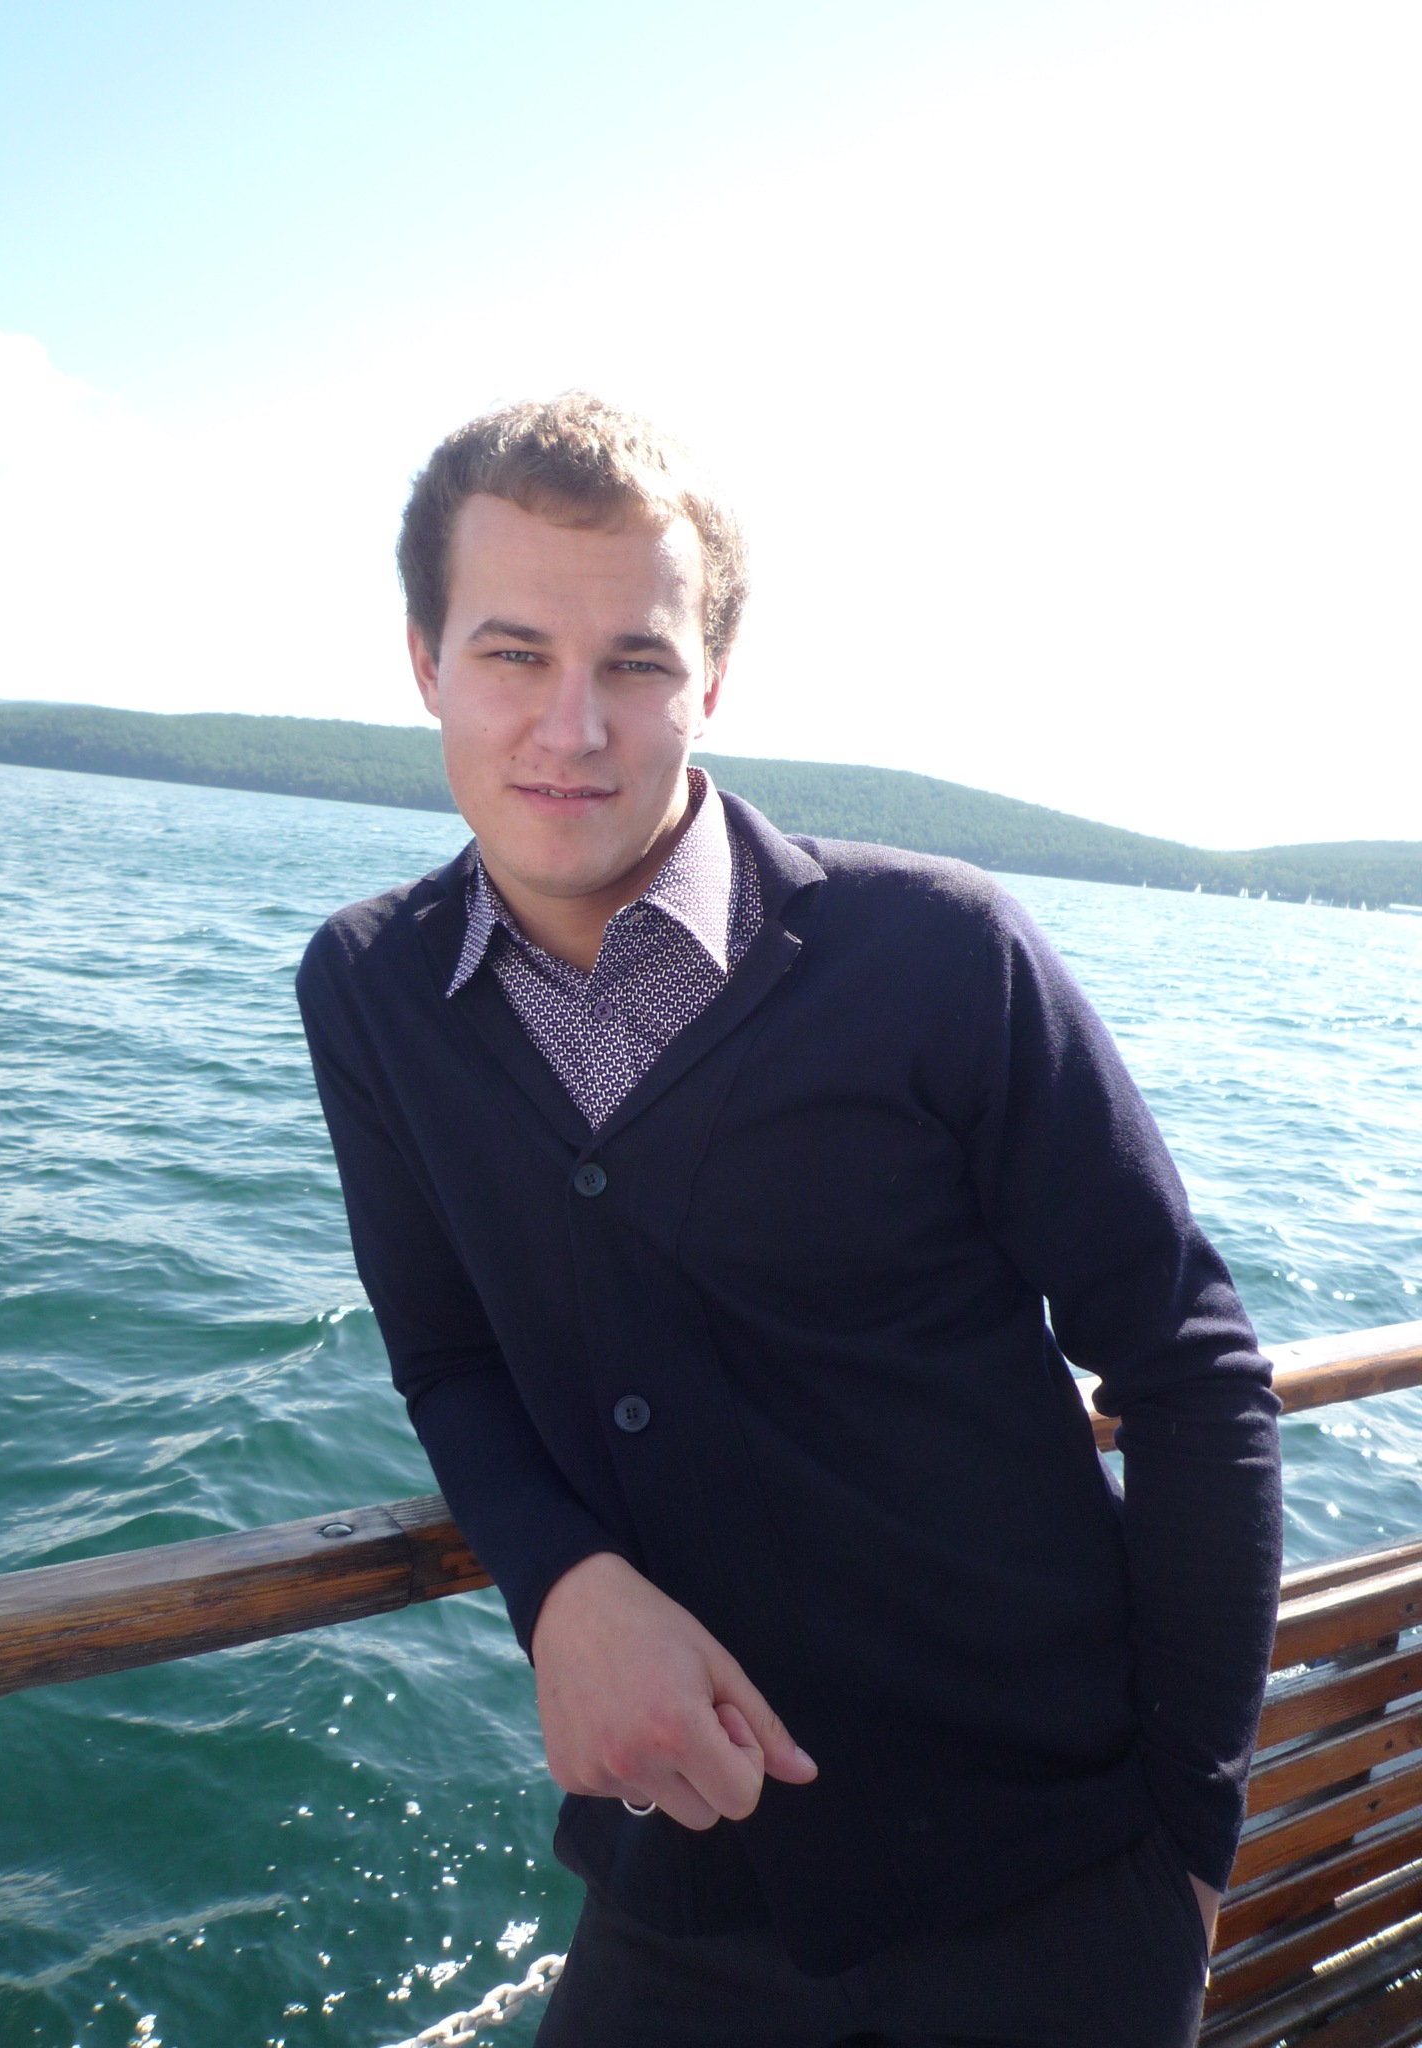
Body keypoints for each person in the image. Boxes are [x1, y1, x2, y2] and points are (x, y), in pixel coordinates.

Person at [295, 394, 1283, 2047]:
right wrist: (563, 1584)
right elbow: (450, 1356)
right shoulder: (368, 986)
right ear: (423, 662)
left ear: (713, 681)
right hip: (684, 1882)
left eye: (636, 663)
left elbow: (1193, 1376)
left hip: (1055, 1882)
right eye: (514, 653)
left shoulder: (941, 953)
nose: (572, 727)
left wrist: (1185, 1856)